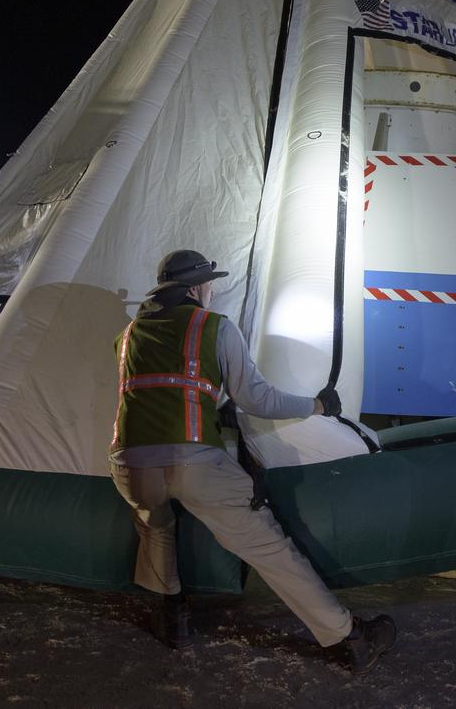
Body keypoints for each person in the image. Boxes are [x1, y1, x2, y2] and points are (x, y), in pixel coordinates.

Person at [109, 249, 396, 674]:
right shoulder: (214, 326)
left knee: (156, 529)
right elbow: (258, 399)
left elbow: (157, 392)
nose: (211, 291)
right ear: (195, 288)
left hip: (129, 464)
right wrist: (317, 405)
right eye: (209, 284)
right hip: (194, 464)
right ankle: (348, 639)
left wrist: (213, 404)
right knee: (269, 548)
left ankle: (173, 621)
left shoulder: (128, 334)